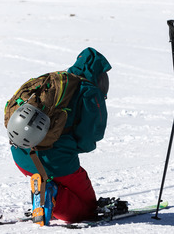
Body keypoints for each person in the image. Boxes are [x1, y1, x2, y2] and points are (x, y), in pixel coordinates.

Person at [8, 47, 111, 224]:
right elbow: (90, 137)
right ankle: (51, 195)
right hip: (58, 163)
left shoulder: (54, 81)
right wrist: (70, 146)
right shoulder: (89, 91)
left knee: (61, 181)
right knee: (87, 209)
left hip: (21, 155)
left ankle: (47, 195)